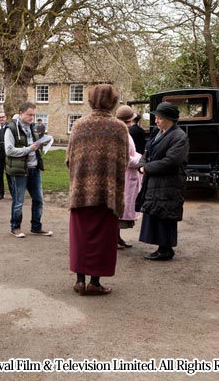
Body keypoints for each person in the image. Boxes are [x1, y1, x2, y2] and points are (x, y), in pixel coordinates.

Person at [66, 85, 128, 296]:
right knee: (103, 238)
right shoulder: (119, 127)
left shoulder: (79, 125)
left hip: (81, 192)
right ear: (113, 101)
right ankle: (95, 282)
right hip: (107, 193)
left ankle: (79, 281)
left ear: (91, 99)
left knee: (81, 236)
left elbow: (68, 159)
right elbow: (124, 162)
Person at [137, 101, 189, 261]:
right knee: (156, 212)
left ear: (169, 119)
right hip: (155, 182)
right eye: (156, 117)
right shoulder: (157, 133)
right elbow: (146, 152)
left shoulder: (180, 136)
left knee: (165, 214)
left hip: (169, 183)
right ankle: (162, 247)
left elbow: (171, 161)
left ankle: (165, 249)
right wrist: (142, 164)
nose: (156, 121)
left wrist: (147, 168)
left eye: (159, 118)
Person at [4, 102, 52, 238]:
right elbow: (9, 150)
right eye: (29, 114)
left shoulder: (33, 127)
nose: (32, 117)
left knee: (38, 199)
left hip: (34, 168)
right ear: (21, 113)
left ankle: (36, 227)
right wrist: (28, 149)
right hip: (19, 170)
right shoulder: (11, 128)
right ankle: (15, 227)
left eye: (33, 115)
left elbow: (35, 145)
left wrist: (42, 143)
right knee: (18, 201)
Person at [115, 105, 142, 249]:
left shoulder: (125, 132)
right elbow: (124, 157)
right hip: (124, 176)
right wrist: (141, 161)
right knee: (120, 208)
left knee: (123, 207)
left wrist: (139, 157)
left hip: (129, 175)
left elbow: (131, 153)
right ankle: (114, 238)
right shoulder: (121, 134)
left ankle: (118, 237)